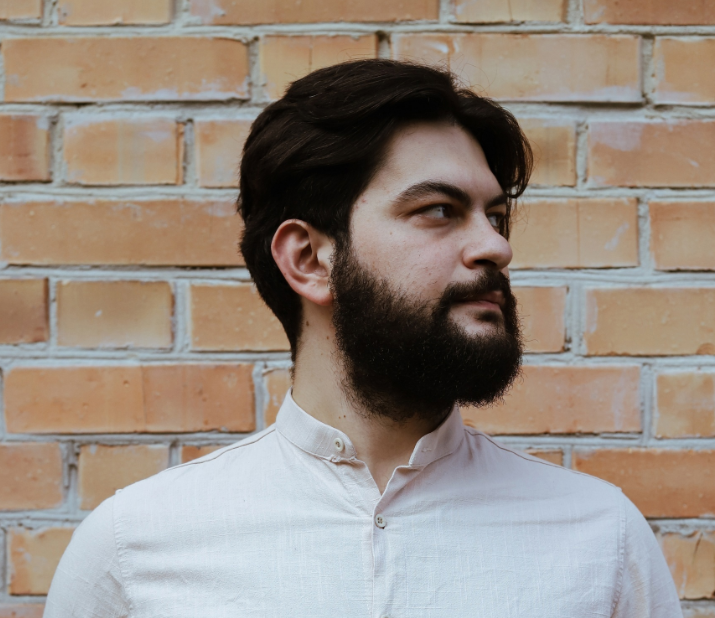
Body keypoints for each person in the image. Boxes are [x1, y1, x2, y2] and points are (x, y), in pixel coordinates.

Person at [45, 59, 681, 617]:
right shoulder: (133, 549)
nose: (496, 246)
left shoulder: (601, 540)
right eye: (438, 210)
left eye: (496, 216)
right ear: (309, 260)